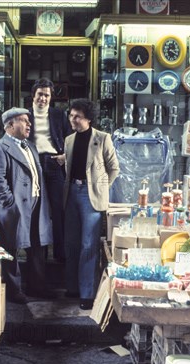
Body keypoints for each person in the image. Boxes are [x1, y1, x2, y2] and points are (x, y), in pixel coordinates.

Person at [0, 107, 54, 304]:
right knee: (10, 248)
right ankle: (13, 291)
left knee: (38, 246)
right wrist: (10, 204)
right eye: (24, 120)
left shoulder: (30, 146)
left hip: (36, 204)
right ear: (10, 125)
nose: (29, 124)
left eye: (28, 121)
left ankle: (37, 287)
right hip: (15, 208)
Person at [63, 99, 120, 310]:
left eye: (77, 116)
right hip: (71, 194)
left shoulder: (103, 138)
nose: (72, 119)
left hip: (91, 196)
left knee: (89, 245)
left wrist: (101, 187)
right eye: (71, 115)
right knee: (71, 243)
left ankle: (87, 294)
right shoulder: (68, 140)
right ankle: (72, 288)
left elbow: (114, 168)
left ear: (88, 118)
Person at [27, 78, 71, 263]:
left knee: (59, 210)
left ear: (51, 97)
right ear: (33, 95)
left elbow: (71, 138)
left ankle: (60, 254)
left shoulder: (58, 115)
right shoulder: (25, 115)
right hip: (33, 163)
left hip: (54, 162)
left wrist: (64, 157)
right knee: (36, 210)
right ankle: (39, 256)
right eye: (40, 94)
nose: (43, 99)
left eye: (46, 95)